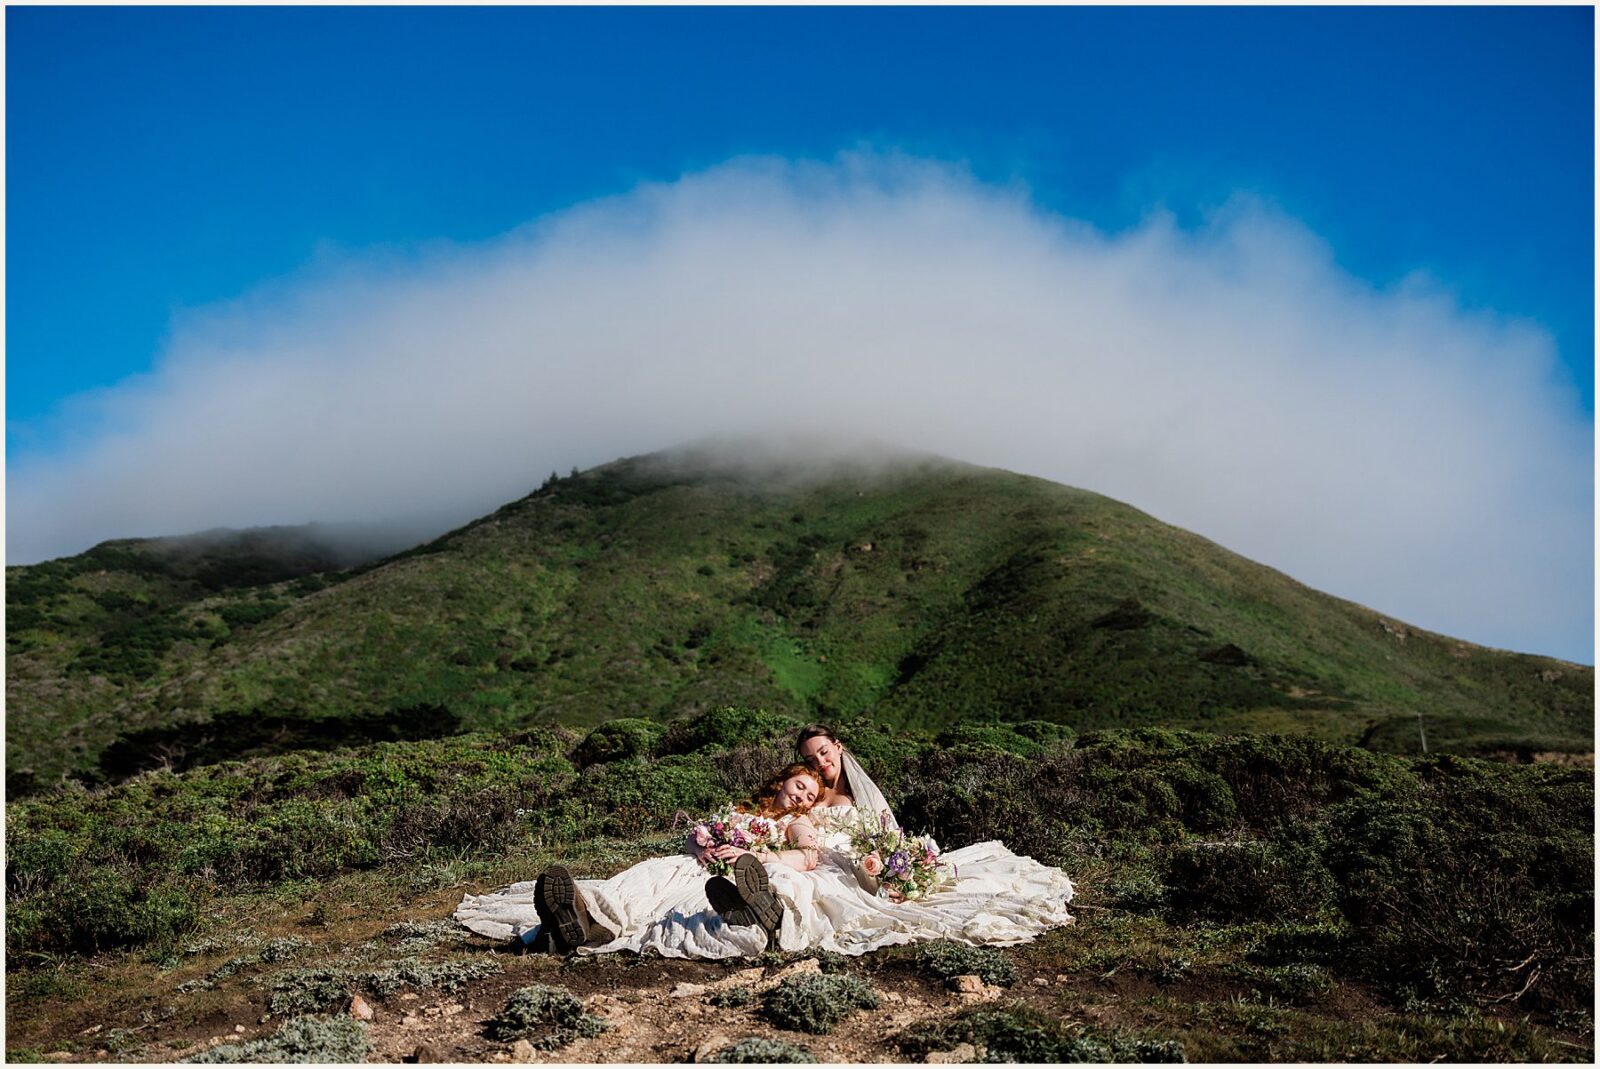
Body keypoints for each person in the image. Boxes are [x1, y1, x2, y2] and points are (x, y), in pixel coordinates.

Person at [705, 724, 1076, 951]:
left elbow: (884, 833)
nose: (820, 761)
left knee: (828, 895)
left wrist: (893, 872)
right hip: (816, 852)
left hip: (853, 857)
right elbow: (788, 814)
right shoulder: (811, 789)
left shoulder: (858, 791)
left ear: (838, 746)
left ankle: (767, 914)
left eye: (823, 751)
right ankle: (760, 910)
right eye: (811, 758)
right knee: (803, 882)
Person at [454, 763, 823, 958]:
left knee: (680, 909)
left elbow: (808, 857)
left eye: (810, 795)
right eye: (799, 786)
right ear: (782, 782)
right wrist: (699, 845)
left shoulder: (797, 822)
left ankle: (748, 909)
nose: (802, 797)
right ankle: (583, 917)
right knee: (638, 887)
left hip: (723, 875)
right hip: (692, 864)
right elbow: (695, 836)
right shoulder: (740, 810)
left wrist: (752, 853)